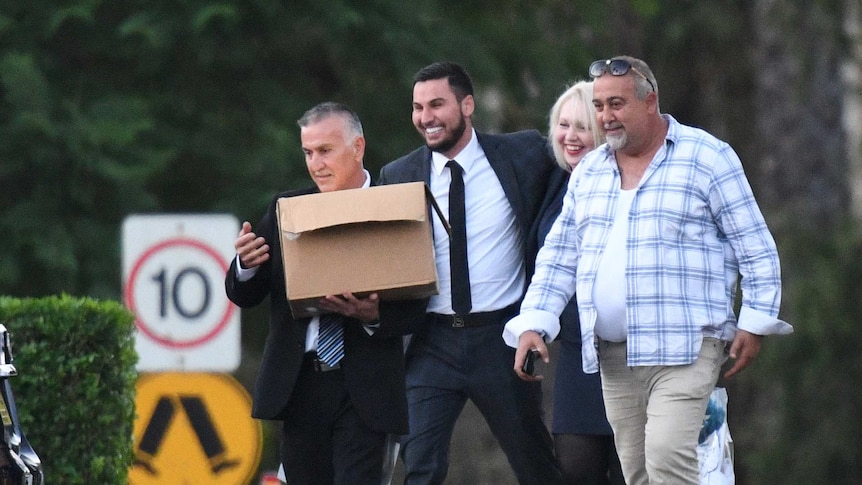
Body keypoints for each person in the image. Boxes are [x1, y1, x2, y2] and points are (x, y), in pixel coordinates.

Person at [503, 56, 793, 484]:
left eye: (616, 104)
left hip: (686, 346)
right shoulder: (590, 173)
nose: (605, 117)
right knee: (636, 472)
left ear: (649, 100)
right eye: (599, 106)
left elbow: (755, 246)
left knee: (666, 459)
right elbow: (560, 255)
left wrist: (754, 320)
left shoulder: (707, 157)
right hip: (613, 355)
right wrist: (534, 323)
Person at [378, 61, 563, 485]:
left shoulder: (525, 154)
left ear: (467, 104)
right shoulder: (398, 175)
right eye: (417, 107)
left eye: (437, 104)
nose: (426, 117)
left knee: (535, 464)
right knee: (420, 465)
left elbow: (573, 172)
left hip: (501, 336)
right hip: (431, 340)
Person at [225, 102, 411, 485]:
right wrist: (246, 264)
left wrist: (371, 314)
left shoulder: (397, 208)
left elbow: (418, 303)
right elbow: (244, 295)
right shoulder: (288, 209)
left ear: (357, 147)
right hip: (300, 385)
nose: (316, 164)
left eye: (325, 151)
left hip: (364, 387)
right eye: (308, 152)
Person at [524, 81, 623, 484]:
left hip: (628, 351)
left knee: (632, 470)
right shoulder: (553, 184)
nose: (570, 136)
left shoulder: (625, 183)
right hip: (575, 353)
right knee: (574, 467)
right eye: (563, 125)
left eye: (581, 126)